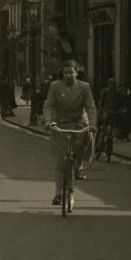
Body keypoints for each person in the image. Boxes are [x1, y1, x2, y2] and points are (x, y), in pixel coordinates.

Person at [43, 61, 98, 205]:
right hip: (60, 124)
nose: (68, 75)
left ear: (76, 73)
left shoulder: (84, 87)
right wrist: (48, 121)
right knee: (61, 161)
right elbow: (49, 105)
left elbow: (91, 107)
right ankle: (58, 194)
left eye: (71, 72)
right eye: (65, 72)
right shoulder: (55, 86)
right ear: (62, 74)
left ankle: (79, 166)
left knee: (81, 143)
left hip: (78, 123)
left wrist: (92, 124)